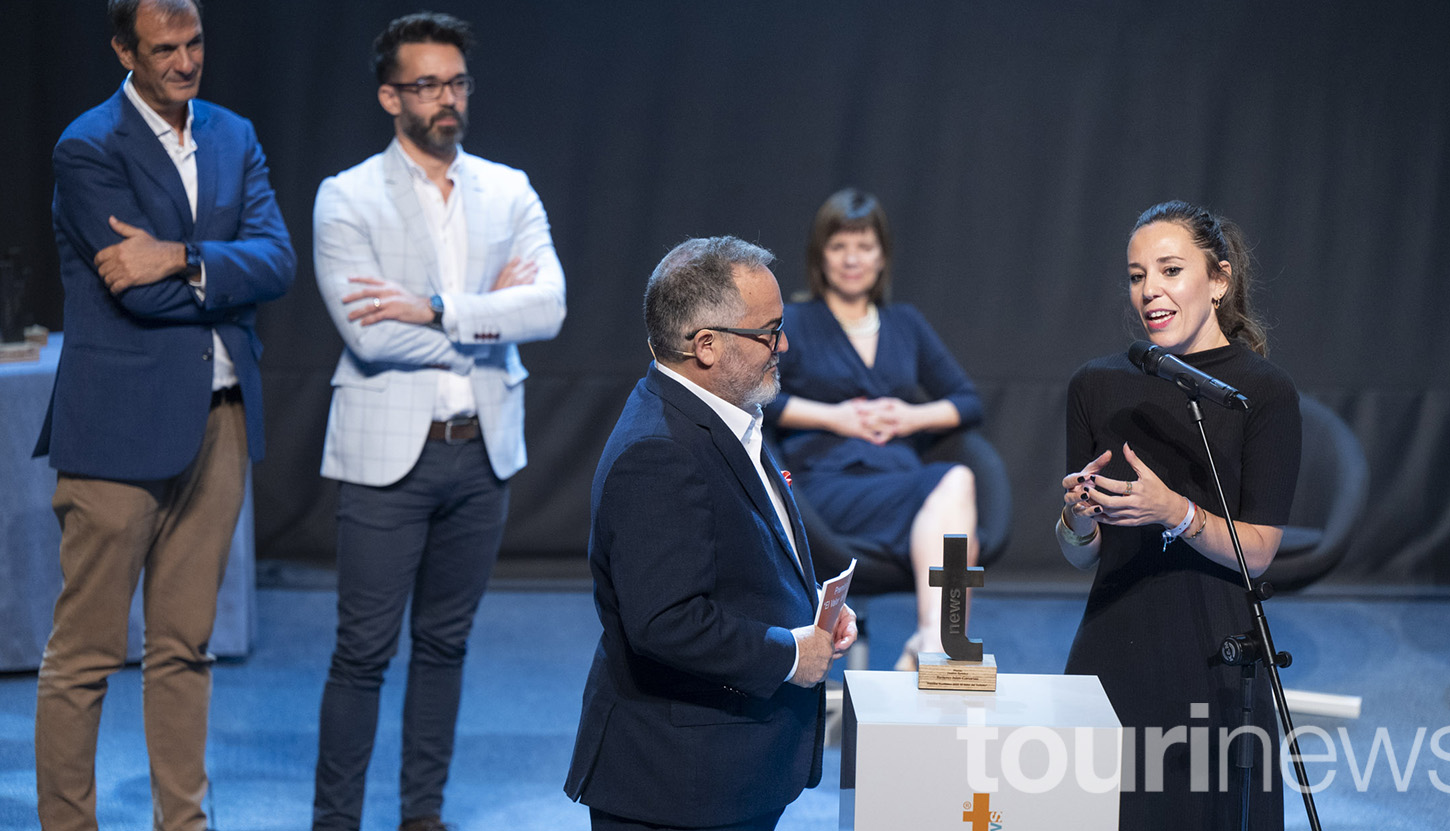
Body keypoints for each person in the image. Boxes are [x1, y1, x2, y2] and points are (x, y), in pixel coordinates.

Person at [31, 1, 296, 828]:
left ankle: (184, 822)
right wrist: (221, 283)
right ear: (124, 50)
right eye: (165, 48)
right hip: (118, 429)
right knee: (85, 655)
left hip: (218, 420)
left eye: (195, 43)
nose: (186, 62)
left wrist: (180, 255)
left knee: (185, 647)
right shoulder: (88, 145)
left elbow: (278, 260)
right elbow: (133, 292)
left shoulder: (232, 133)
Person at [309, 12, 566, 831]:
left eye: (456, 82)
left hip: (481, 452)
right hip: (390, 453)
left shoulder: (509, 188)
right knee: (363, 653)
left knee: (446, 645)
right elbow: (367, 333)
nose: (446, 99)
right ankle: (335, 822)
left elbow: (552, 307)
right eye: (426, 85)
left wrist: (437, 307)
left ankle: (423, 815)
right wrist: (490, 320)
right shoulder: (347, 196)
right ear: (391, 96)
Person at [565, 237, 857, 831]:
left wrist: (812, 617)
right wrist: (791, 653)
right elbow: (666, 621)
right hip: (678, 788)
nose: (784, 345)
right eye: (769, 332)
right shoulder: (659, 452)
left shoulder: (720, 413)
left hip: (724, 776)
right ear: (706, 345)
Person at [1056, 201, 1300, 829]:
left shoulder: (1262, 392)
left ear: (1218, 280)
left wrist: (1174, 512)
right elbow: (1081, 551)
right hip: (1116, 637)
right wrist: (1079, 520)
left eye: (1169, 270)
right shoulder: (1096, 384)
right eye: (1137, 276)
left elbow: (1262, 549)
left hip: (1214, 650)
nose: (1150, 291)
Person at [765, 189, 982, 667]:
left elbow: (967, 401)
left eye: (864, 246)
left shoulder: (905, 324)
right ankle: (935, 643)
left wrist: (910, 415)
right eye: (839, 246)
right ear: (820, 255)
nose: (852, 259)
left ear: (882, 255)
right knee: (953, 498)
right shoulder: (796, 321)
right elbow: (759, 396)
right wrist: (833, 416)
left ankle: (932, 637)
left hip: (898, 478)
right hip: (826, 488)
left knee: (955, 485)